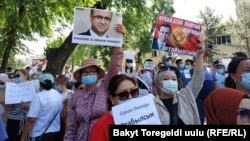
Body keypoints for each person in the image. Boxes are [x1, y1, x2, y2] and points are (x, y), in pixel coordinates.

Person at [64, 25, 125, 141]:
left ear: (98, 75)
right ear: (81, 76)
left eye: (92, 71)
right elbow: (71, 127)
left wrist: (118, 42)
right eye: (85, 72)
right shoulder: (76, 96)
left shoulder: (104, 89)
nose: (88, 74)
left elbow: (114, 68)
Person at [153, 42, 205, 125]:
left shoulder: (185, 96)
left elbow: (198, 77)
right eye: (166, 79)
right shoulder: (152, 105)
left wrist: (199, 56)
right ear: (158, 84)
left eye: (174, 79)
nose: (171, 81)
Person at [89, 74, 139, 141]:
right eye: (123, 94)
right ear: (112, 99)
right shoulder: (101, 126)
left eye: (134, 92)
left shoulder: (144, 118)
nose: (130, 97)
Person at [20, 73, 63, 141]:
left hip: (39, 134)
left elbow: (31, 120)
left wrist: (23, 138)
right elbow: (47, 108)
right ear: (52, 84)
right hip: (55, 132)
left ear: (40, 84)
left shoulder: (38, 96)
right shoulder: (57, 94)